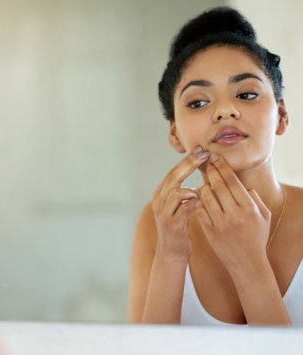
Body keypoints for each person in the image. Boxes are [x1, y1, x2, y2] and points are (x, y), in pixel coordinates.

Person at [128, 7, 303, 326]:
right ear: (175, 133)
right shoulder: (156, 225)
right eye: (198, 102)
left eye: (246, 94)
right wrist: (171, 253)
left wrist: (250, 265)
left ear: (281, 115)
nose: (224, 110)